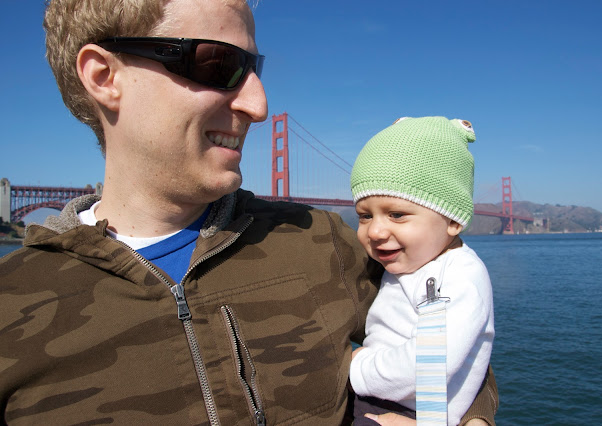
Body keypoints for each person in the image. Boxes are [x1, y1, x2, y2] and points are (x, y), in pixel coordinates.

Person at [0, 0, 496, 423]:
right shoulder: (11, 304)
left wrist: (472, 418)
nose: (259, 106)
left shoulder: (321, 239)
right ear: (104, 76)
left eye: (255, 70)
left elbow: (452, 338)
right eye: (218, 64)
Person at [349, 117, 496, 425]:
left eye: (396, 214)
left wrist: (357, 367)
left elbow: (429, 364)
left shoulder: (459, 276)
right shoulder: (414, 260)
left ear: (453, 220)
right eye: (364, 216)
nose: (375, 231)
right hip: (384, 399)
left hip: (414, 411)